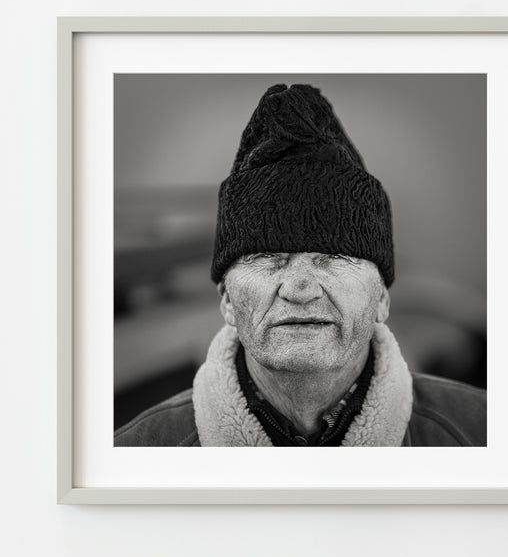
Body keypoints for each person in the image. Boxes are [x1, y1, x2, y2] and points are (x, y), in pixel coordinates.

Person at [115, 83, 486, 447]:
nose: (299, 288)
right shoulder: (136, 454)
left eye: (334, 256)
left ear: (382, 299)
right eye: (268, 257)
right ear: (226, 299)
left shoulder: (488, 436)